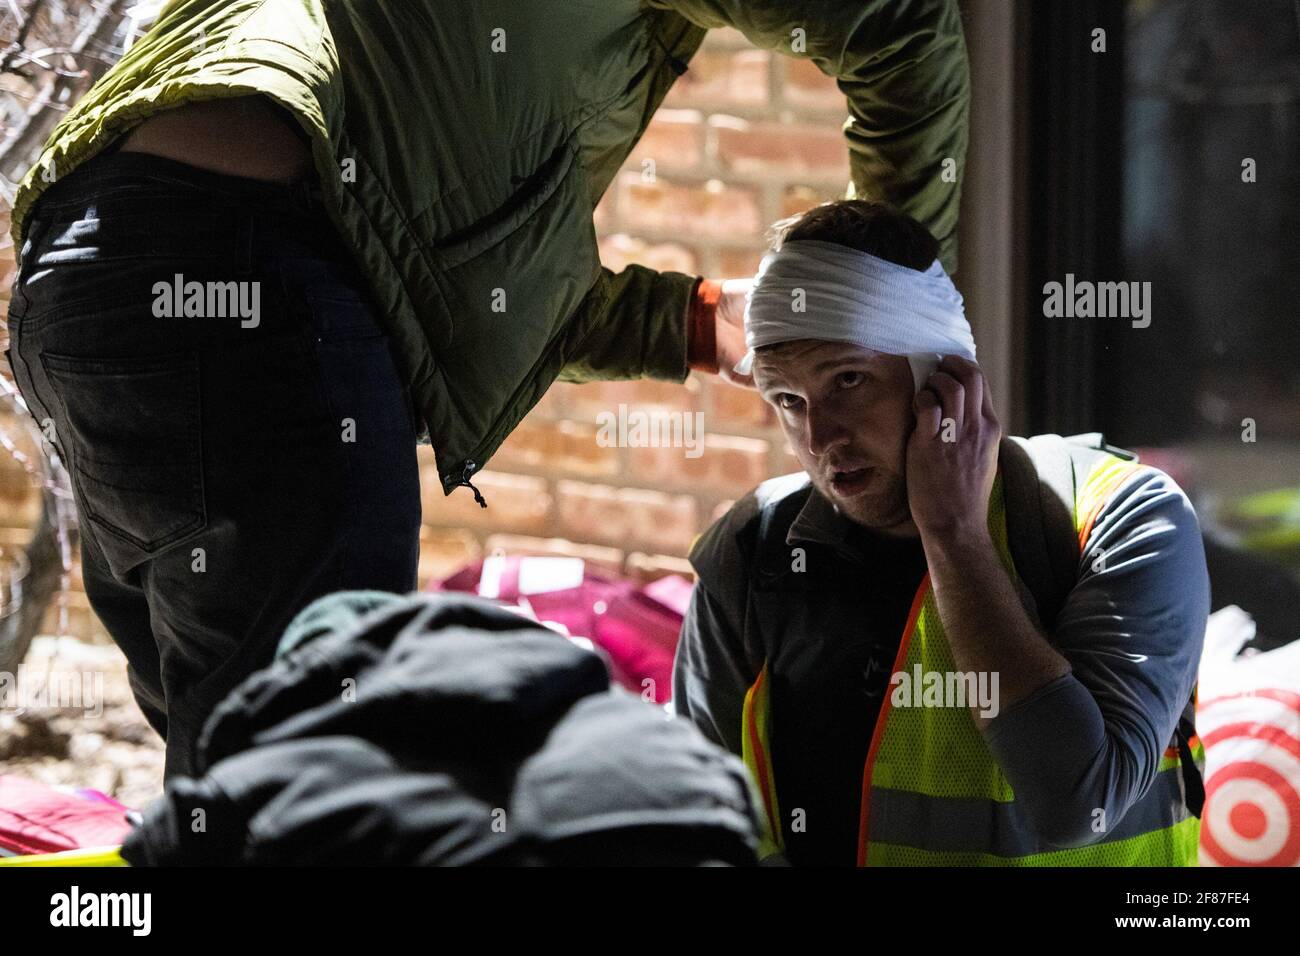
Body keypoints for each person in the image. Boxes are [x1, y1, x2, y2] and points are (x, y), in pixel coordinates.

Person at [3, 1, 969, 778]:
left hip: (84, 278)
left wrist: (696, 323)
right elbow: (899, 25)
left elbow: (450, 266)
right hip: (252, 283)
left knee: (231, 777)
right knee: (299, 783)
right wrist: (894, 307)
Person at [673, 199, 1210, 866]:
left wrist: (954, 532)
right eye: (788, 400)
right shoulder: (757, 553)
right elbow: (702, 829)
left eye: (848, 380)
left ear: (943, 379)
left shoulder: (1119, 518)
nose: (819, 437)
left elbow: (1079, 800)